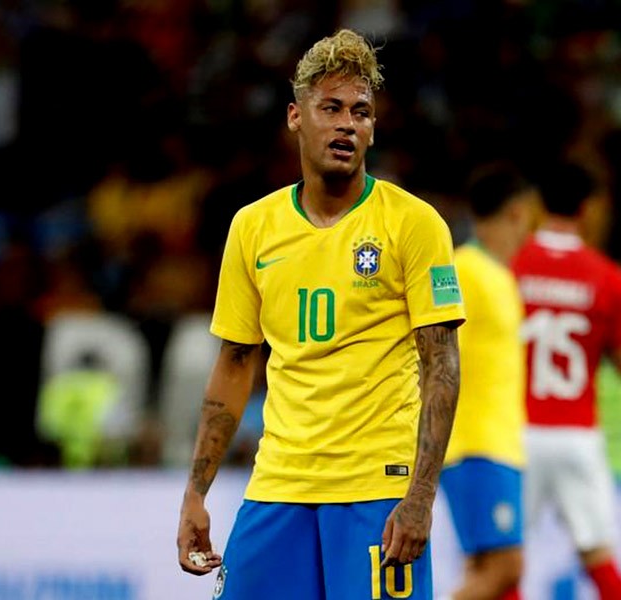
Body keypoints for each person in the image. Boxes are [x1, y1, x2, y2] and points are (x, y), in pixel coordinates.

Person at [176, 29, 466, 600]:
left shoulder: (414, 223)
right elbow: (234, 364)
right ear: (294, 117)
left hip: (376, 489)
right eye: (330, 108)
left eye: (361, 112)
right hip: (278, 484)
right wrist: (195, 491)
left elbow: (443, 365)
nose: (347, 124)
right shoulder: (253, 227)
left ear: (374, 128)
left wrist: (420, 497)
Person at [511, 162, 621, 600]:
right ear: (589, 209)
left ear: (537, 205)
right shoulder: (609, 278)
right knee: (599, 557)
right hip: (577, 436)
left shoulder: (511, 265)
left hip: (517, 433)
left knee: (503, 561)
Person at [439, 165, 534, 600]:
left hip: (499, 442)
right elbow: (432, 352)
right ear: (517, 212)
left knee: (483, 569)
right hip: (475, 444)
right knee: (506, 567)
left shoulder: (500, 275)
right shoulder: (462, 269)